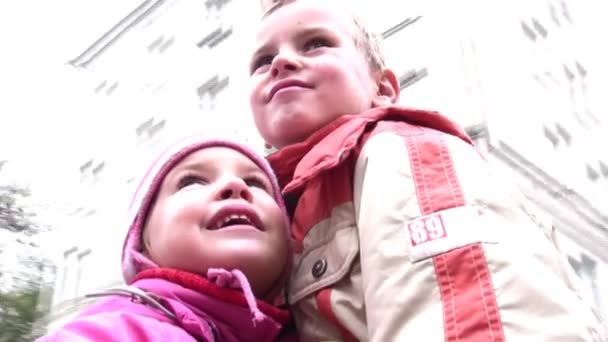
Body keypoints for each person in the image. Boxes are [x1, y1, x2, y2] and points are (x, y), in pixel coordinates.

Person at [249, 0, 607, 340]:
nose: (281, 61)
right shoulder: (280, 207)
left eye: (315, 44)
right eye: (263, 61)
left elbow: (464, 316)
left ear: (383, 88)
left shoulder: (401, 154)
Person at [38, 137, 295, 341]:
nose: (235, 185)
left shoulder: (317, 327)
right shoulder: (123, 330)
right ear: (142, 246)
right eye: (191, 182)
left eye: (256, 183)